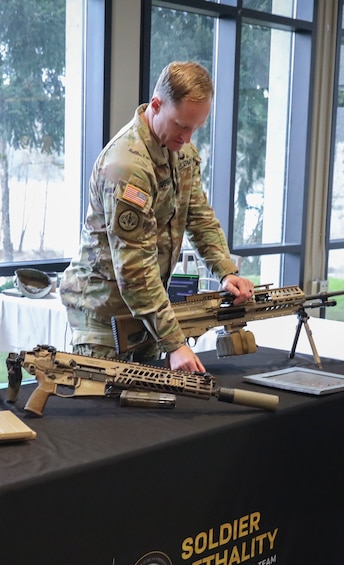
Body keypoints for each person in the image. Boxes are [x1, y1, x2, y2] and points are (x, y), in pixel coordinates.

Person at [59, 61, 255, 373]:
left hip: (147, 311)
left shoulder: (181, 151)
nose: (188, 138)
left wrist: (226, 271)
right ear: (156, 105)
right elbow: (134, 268)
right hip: (103, 317)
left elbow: (199, 216)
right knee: (105, 416)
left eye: (195, 128)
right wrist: (174, 342)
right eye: (181, 125)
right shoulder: (126, 166)